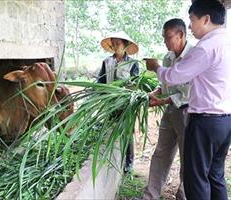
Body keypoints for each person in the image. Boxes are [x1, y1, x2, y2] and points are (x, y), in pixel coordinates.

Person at [145, 1, 231, 199]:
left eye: (192, 20)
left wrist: (156, 68)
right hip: (224, 119)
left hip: (205, 120)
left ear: (206, 19)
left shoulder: (204, 48)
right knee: (214, 175)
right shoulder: (227, 42)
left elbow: (174, 77)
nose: (190, 25)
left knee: (196, 178)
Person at [143, 18, 193, 200]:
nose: (165, 42)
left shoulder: (194, 55)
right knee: (161, 154)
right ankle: (150, 195)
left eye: (168, 38)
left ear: (180, 35)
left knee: (187, 157)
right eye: (163, 38)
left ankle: (184, 195)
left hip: (188, 113)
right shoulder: (168, 57)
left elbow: (188, 92)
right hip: (170, 112)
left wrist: (162, 101)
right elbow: (165, 83)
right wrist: (156, 92)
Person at [97, 31, 139, 173]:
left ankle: (129, 162)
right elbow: (101, 81)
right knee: (111, 128)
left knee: (127, 132)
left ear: (125, 45)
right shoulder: (107, 62)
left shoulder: (132, 64)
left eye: (118, 43)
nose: (115, 46)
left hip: (126, 104)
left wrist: (126, 92)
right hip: (110, 103)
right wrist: (96, 92)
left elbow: (135, 84)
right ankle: (113, 158)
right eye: (113, 44)